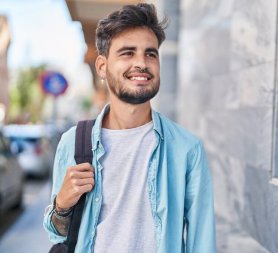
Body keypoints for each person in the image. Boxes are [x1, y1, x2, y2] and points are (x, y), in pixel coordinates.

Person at [43, 3, 216, 253]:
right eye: (127, 53)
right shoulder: (73, 142)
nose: (141, 63)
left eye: (150, 54)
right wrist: (62, 204)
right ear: (102, 66)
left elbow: (202, 243)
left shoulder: (187, 149)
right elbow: (56, 233)